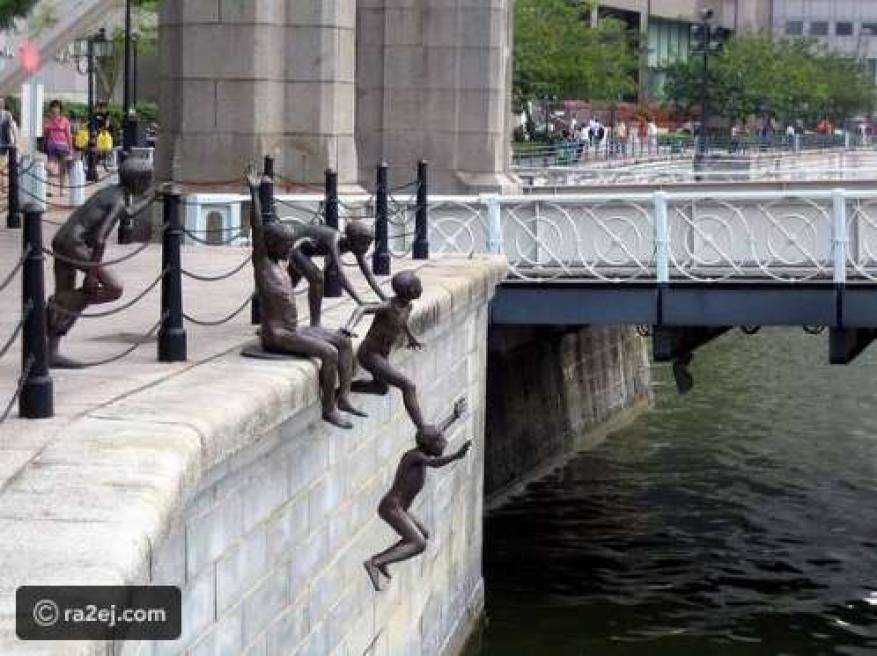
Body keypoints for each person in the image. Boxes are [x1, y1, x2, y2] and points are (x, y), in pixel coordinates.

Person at [245, 173, 365, 429]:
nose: (290, 249)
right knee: (329, 353)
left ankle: (344, 397)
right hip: (277, 335)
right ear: (272, 245)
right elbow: (257, 228)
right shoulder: (263, 264)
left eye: (291, 244)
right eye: (285, 245)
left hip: (292, 329)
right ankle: (329, 408)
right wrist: (254, 193)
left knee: (343, 342)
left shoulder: (279, 264)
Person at [46, 158, 156, 368]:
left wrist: (153, 196)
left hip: (62, 239)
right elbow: (100, 239)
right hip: (74, 244)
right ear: (138, 181)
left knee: (70, 298)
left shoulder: (113, 192)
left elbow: (128, 213)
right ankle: (58, 302)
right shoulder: (119, 200)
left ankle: (51, 350)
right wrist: (91, 275)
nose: (148, 184)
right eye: (147, 180)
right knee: (113, 288)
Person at [363, 398, 470, 591]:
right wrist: (455, 456)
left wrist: (454, 416)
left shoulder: (425, 448)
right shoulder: (415, 457)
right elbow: (435, 463)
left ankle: (385, 560)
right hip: (392, 508)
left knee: (423, 534)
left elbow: (438, 430)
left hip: (400, 508)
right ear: (429, 445)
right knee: (419, 543)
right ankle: (375, 562)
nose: (445, 444)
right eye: (441, 443)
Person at [343, 271, 426, 428]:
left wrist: (411, 338)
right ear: (412, 290)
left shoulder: (408, 306)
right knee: (408, 386)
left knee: (381, 388)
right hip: (370, 354)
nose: (421, 288)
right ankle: (422, 428)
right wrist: (349, 327)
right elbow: (362, 309)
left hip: (382, 353)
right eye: (419, 285)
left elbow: (402, 322)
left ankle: (341, 391)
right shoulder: (388, 306)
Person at [43, 99, 72, 193]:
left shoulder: (63, 121)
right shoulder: (49, 121)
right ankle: (53, 189)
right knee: (54, 168)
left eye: (56, 107)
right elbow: (45, 134)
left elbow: (68, 135)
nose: (55, 109)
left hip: (60, 146)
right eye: (53, 107)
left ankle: (60, 189)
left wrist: (70, 148)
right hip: (55, 146)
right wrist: (44, 144)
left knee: (60, 169)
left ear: (59, 109)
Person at [0, 97, 18, 194]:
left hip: (3, 145)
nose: (0, 104)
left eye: (1, 102)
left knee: (1, 166)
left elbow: (12, 128)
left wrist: (15, 141)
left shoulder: (7, 114)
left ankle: (3, 187)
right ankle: (2, 187)